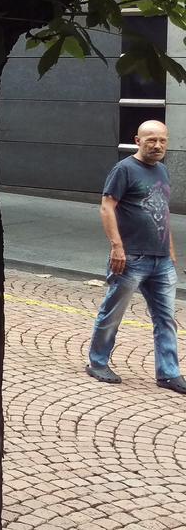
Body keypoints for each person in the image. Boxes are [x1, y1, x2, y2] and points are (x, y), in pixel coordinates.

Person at [86, 120, 186, 394]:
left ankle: (168, 373)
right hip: (131, 258)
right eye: (151, 139)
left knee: (166, 318)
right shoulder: (124, 169)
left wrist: (171, 250)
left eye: (162, 140)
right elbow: (107, 207)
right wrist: (117, 246)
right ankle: (97, 362)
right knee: (113, 313)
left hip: (161, 259)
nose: (157, 145)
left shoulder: (163, 171)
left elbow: (161, 212)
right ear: (137, 140)